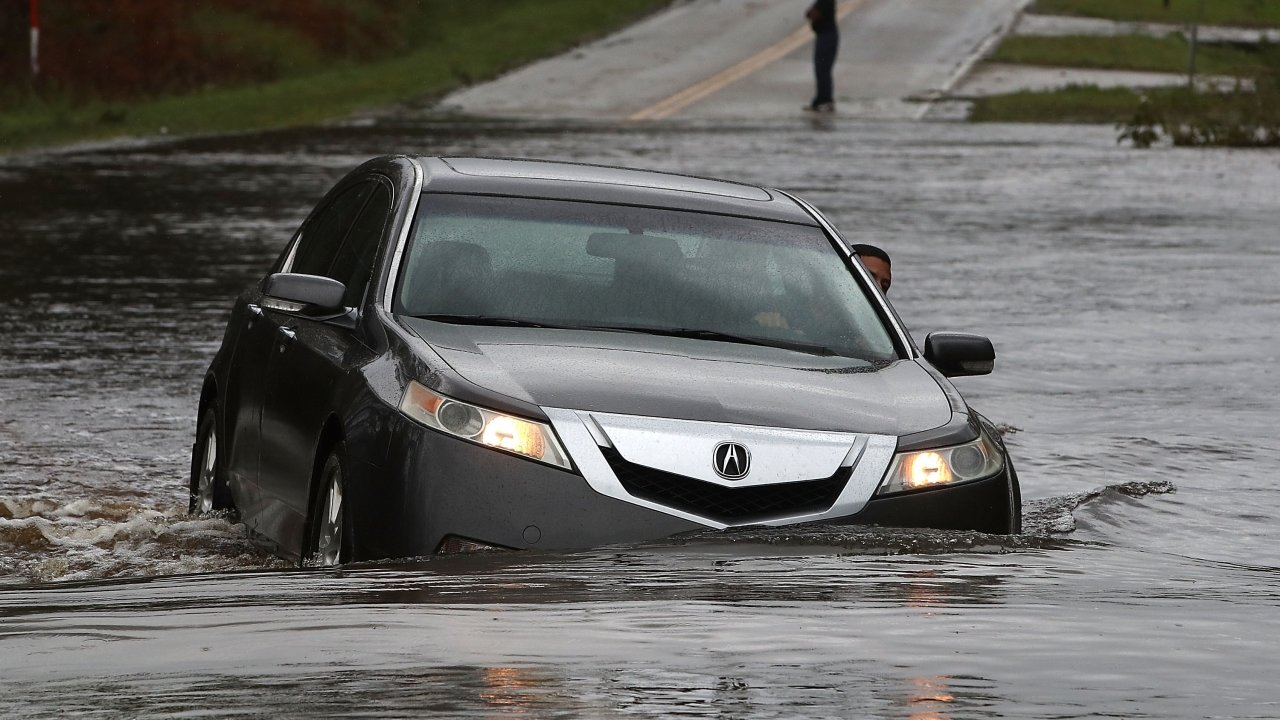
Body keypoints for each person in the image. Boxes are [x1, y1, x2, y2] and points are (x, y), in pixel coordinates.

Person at [805, 0, 839, 112]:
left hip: (827, 36)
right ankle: (822, 98)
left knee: (823, 69)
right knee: (821, 69)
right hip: (824, 35)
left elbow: (814, 13)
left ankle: (825, 99)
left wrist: (811, 13)